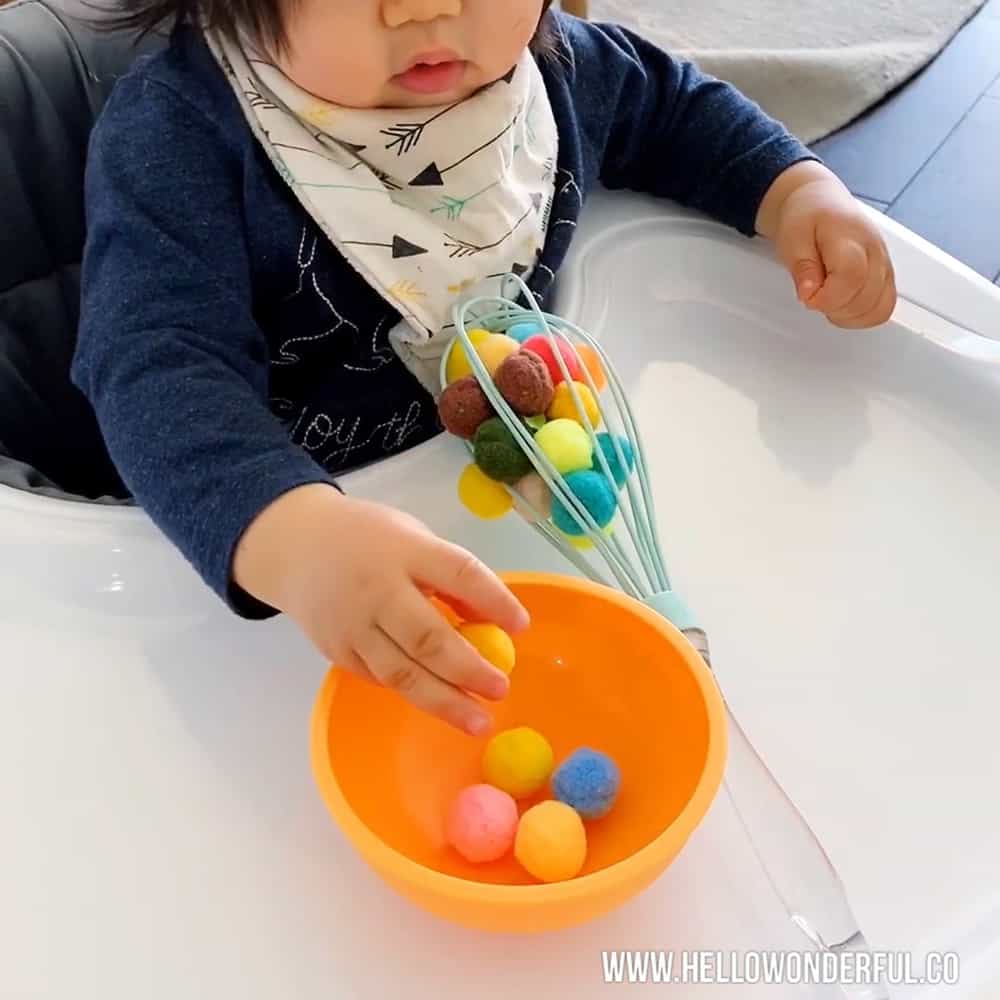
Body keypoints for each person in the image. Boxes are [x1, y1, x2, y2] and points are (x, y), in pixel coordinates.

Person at [73, 0, 896, 735]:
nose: (427, 8)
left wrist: (795, 192)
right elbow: (156, 365)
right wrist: (293, 536)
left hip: (504, 492)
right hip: (271, 524)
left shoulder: (551, 70)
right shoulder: (176, 136)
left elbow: (675, 110)